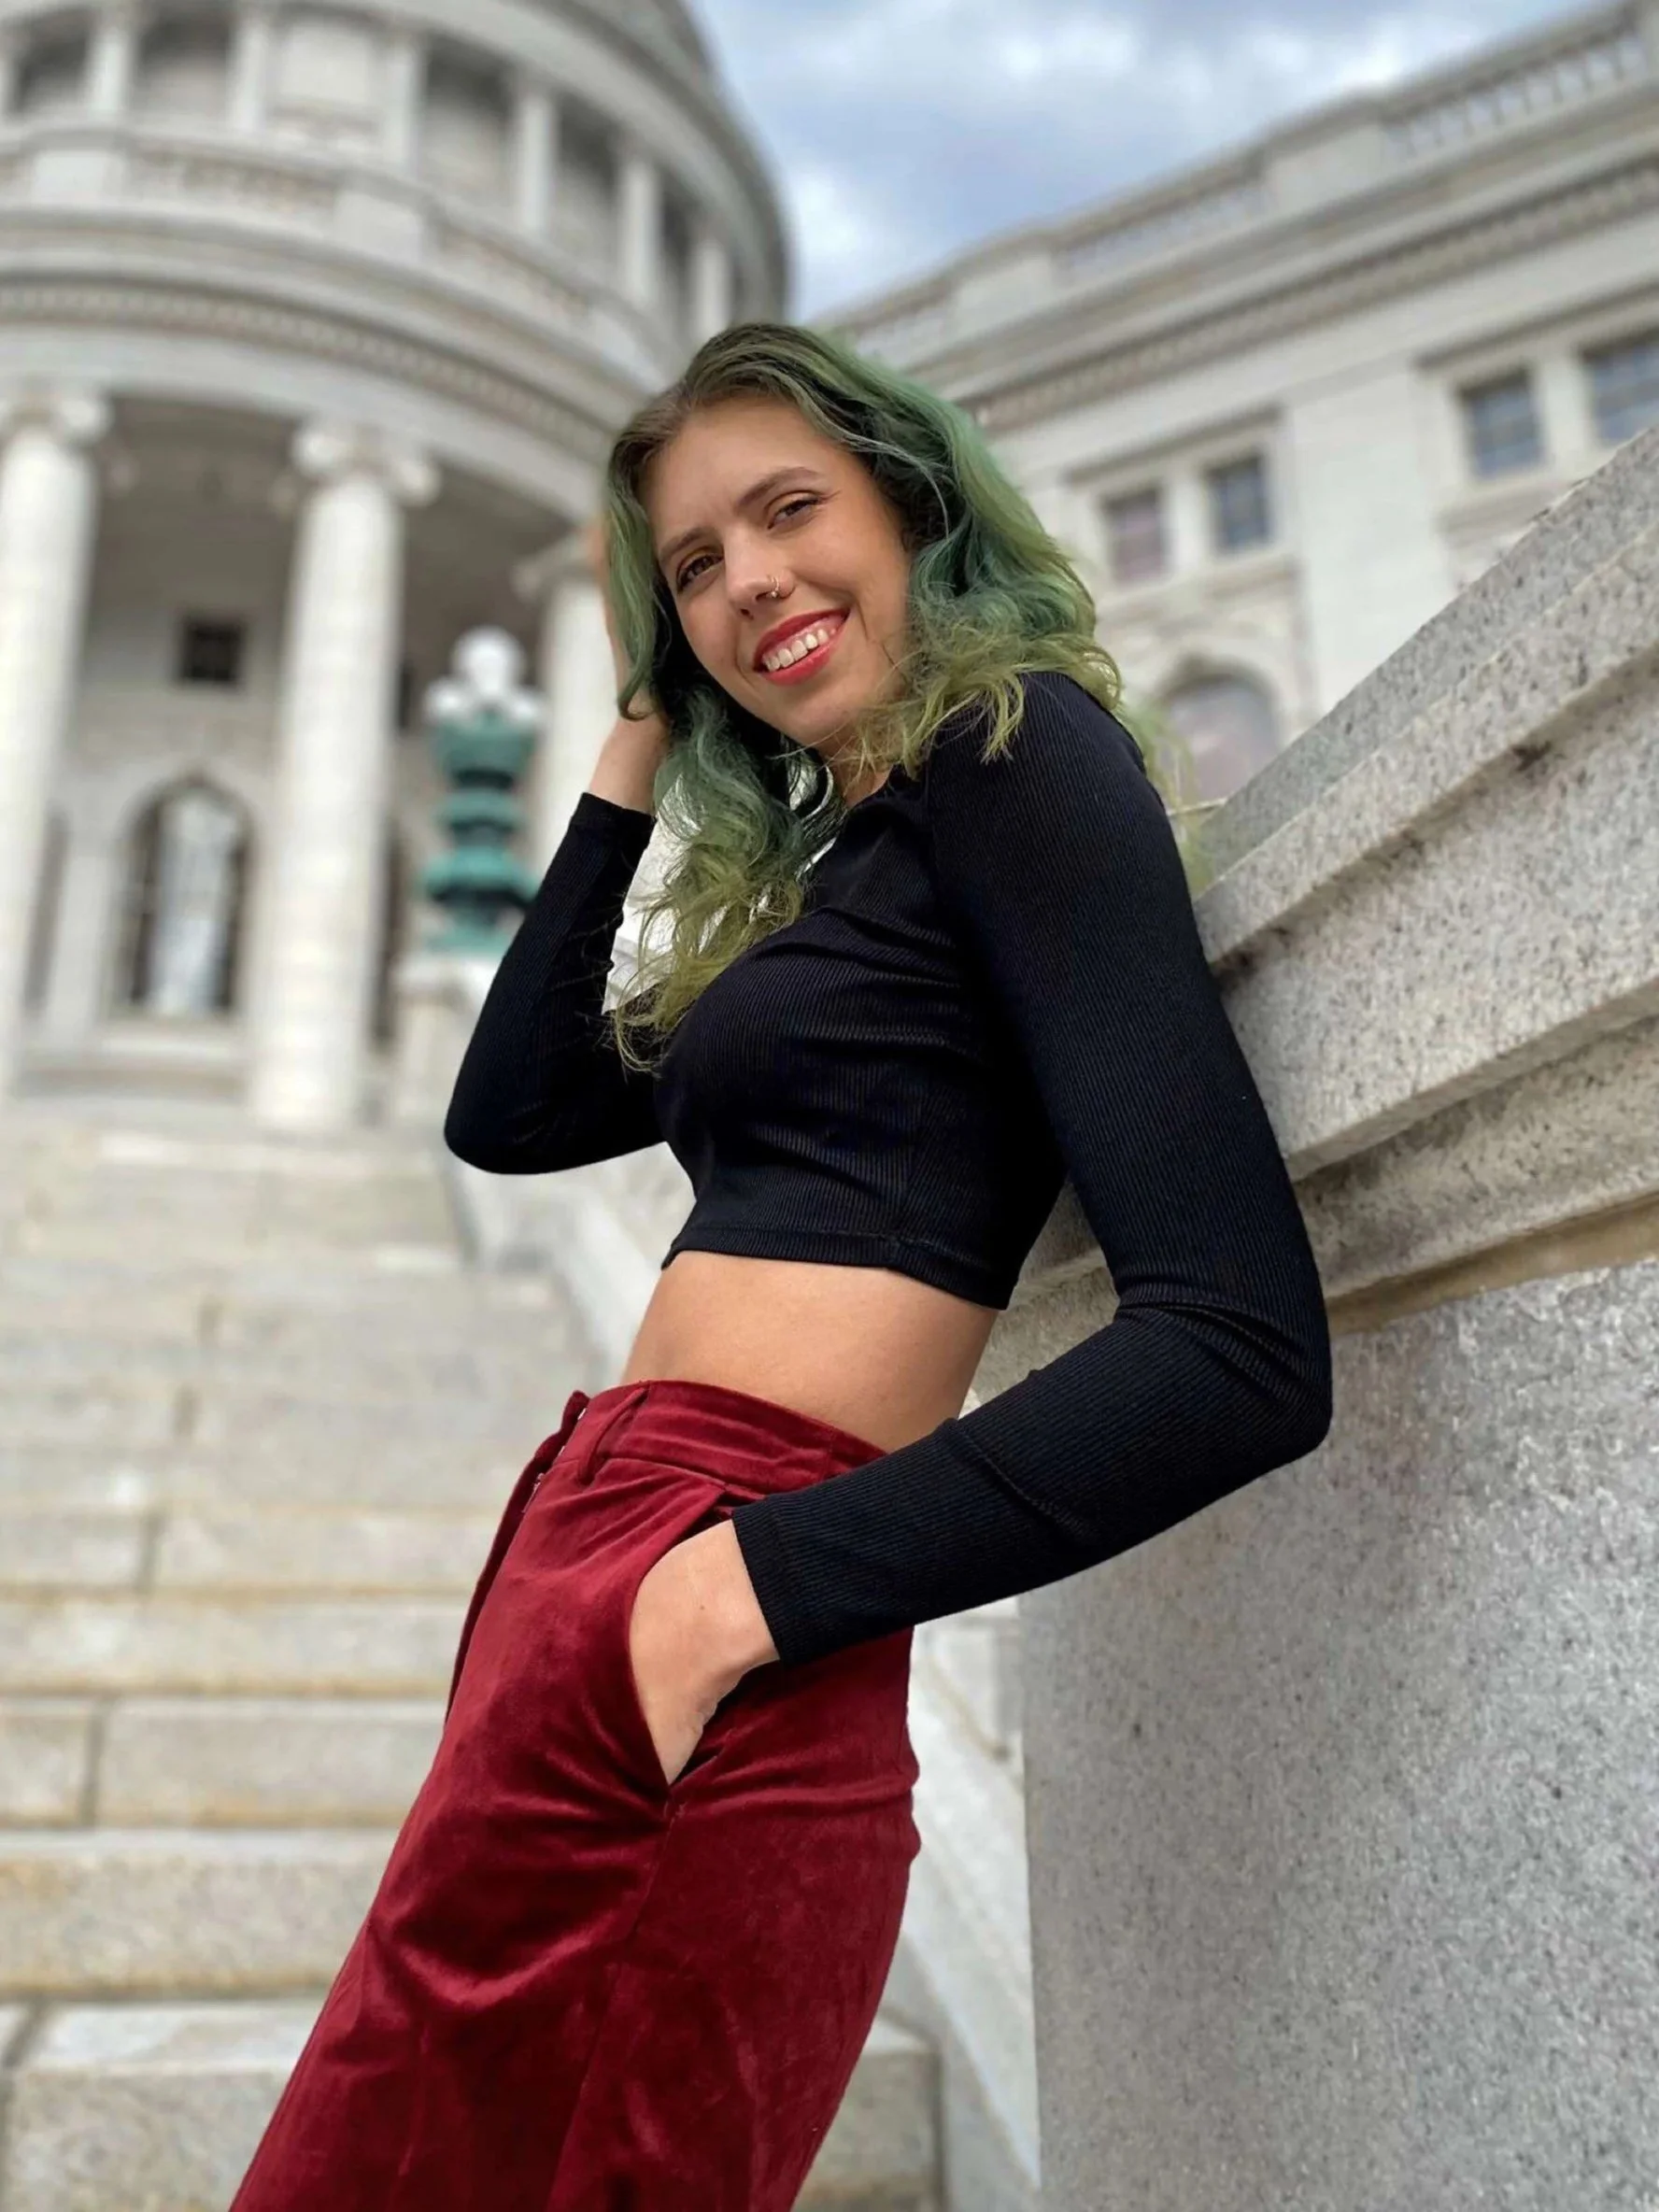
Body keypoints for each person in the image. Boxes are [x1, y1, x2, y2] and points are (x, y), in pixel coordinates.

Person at [230, 321, 1332, 2211]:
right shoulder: (837, 873)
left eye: (790, 508)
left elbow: (1238, 1339)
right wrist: (635, 747)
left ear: (911, 507)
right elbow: (507, 1110)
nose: (750, 579)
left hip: (734, 1589)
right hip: (598, 1559)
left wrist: (729, 1595)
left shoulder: (1016, 748)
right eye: (689, 566)